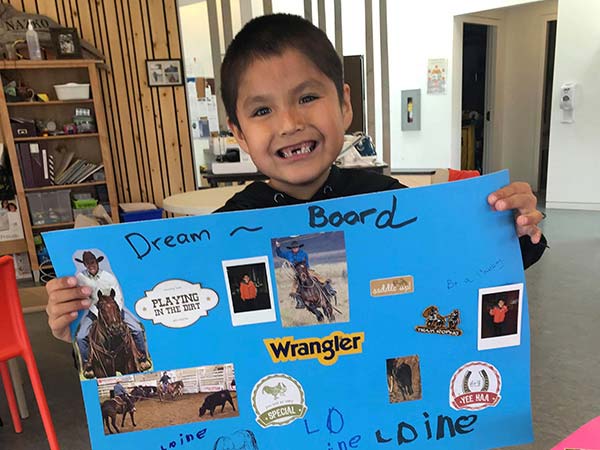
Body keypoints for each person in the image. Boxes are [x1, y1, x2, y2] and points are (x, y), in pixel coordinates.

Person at [45, 14, 547, 344]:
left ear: (345, 104)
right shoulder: (225, 228)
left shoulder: (389, 201)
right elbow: (170, 328)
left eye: (308, 97)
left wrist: (514, 230)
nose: (289, 123)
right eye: (262, 110)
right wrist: (78, 325)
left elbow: (462, 269)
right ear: (238, 133)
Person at [73, 251, 151, 378]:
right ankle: (88, 364)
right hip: (94, 310)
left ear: (97, 262)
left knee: (137, 328)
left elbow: (118, 295)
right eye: (88, 264)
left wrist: (116, 311)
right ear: (85, 265)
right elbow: (87, 298)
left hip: (114, 308)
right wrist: (98, 313)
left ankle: (142, 358)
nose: (91, 265)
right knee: (81, 336)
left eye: (92, 262)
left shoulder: (108, 277)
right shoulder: (81, 279)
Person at [275, 240, 336, 308]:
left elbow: (306, 263)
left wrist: (306, 270)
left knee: (319, 277)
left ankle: (330, 290)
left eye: (296, 247)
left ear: (298, 247)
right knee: (294, 287)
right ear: (291, 248)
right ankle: (300, 302)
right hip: (296, 272)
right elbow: (279, 254)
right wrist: (278, 247)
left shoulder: (304, 253)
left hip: (305, 269)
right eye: (293, 248)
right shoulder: (288, 254)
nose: (295, 249)